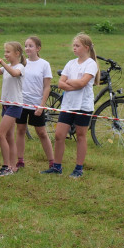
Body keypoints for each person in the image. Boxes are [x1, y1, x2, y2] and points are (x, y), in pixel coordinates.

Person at [43, 33, 98, 178]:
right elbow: (61, 83)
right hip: (68, 104)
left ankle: (78, 168)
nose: (74, 48)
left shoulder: (91, 64)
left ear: (86, 48)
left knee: (80, 136)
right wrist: (74, 84)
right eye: (73, 45)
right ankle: (57, 166)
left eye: (77, 46)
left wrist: (71, 83)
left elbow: (82, 83)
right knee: (59, 135)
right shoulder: (70, 63)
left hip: (83, 106)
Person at [14, 36, 54, 171]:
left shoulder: (44, 64)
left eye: (31, 46)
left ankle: (52, 162)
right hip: (21, 103)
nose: (27, 48)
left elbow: (47, 87)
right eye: (26, 46)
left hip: (36, 104)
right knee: (20, 130)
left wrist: (41, 106)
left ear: (38, 48)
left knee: (41, 132)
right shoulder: (22, 64)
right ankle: (20, 160)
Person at [0, 41, 26, 177]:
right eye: (4, 52)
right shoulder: (6, 67)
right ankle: (13, 166)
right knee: (9, 136)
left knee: (0, 134)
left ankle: (6, 167)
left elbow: (14, 73)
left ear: (17, 53)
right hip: (6, 104)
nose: (5, 54)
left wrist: (2, 63)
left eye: (8, 52)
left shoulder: (20, 67)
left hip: (15, 105)